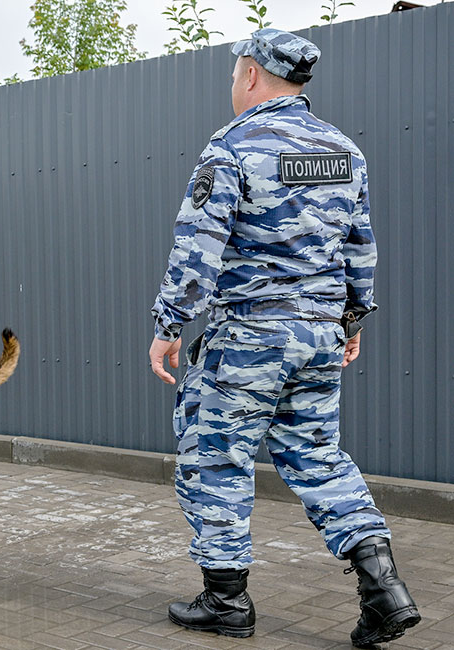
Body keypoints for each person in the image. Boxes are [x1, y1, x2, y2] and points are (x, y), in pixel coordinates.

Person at [148, 29, 420, 647]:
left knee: (216, 455)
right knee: (319, 456)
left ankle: (225, 601)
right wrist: (351, 321)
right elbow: (360, 246)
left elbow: (197, 252)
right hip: (319, 335)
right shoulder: (343, 151)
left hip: (248, 335)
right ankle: (384, 591)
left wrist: (168, 325)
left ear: (248, 75)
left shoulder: (233, 147)